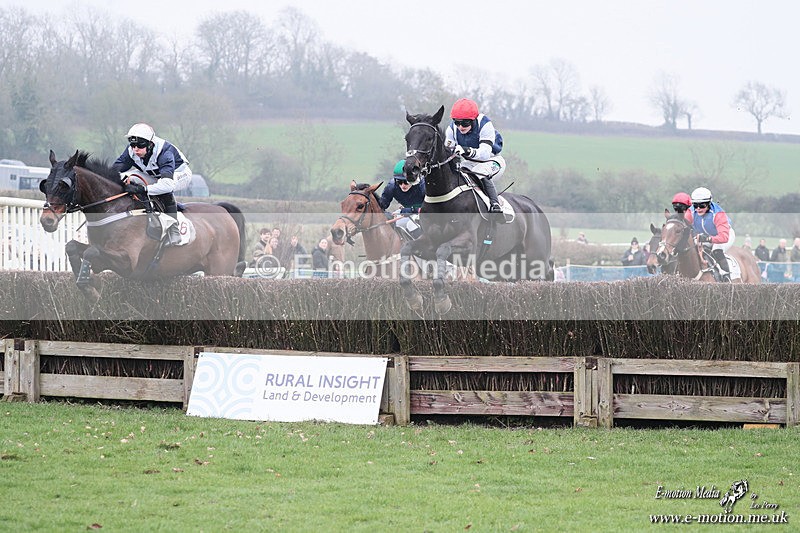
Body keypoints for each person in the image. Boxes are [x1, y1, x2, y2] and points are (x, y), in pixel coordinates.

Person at [113, 123, 192, 246]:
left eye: (140, 145)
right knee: (129, 177)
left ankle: (173, 228)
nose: (135, 149)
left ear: (150, 144)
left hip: (179, 174)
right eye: (133, 145)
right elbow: (113, 171)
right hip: (155, 175)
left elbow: (167, 185)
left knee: (164, 189)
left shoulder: (164, 153)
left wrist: (142, 189)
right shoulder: (131, 152)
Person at [444, 98, 505, 213]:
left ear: (473, 120)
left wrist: (466, 151)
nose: (460, 127)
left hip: (492, 160)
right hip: (469, 163)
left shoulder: (485, 124)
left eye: (465, 123)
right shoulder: (451, 129)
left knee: (479, 173)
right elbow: (448, 153)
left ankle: (495, 204)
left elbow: (485, 154)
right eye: (457, 122)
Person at [684, 186, 734, 282]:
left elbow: (723, 237)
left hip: (724, 236)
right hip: (704, 237)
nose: (698, 208)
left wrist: (707, 239)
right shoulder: (690, 211)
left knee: (716, 250)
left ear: (709, 203)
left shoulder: (718, 214)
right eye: (695, 205)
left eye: (702, 205)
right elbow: (684, 225)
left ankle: (727, 278)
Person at [378, 159, 426, 239]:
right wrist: (385, 214)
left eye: (406, 182)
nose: (403, 185)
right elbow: (382, 206)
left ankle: (425, 247)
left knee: (411, 225)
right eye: (399, 182)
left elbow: (431, 209)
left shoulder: (423, 185)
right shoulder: (391, 186)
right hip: (407, 212)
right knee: (395, 223)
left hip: (427, 214)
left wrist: (411, 210)